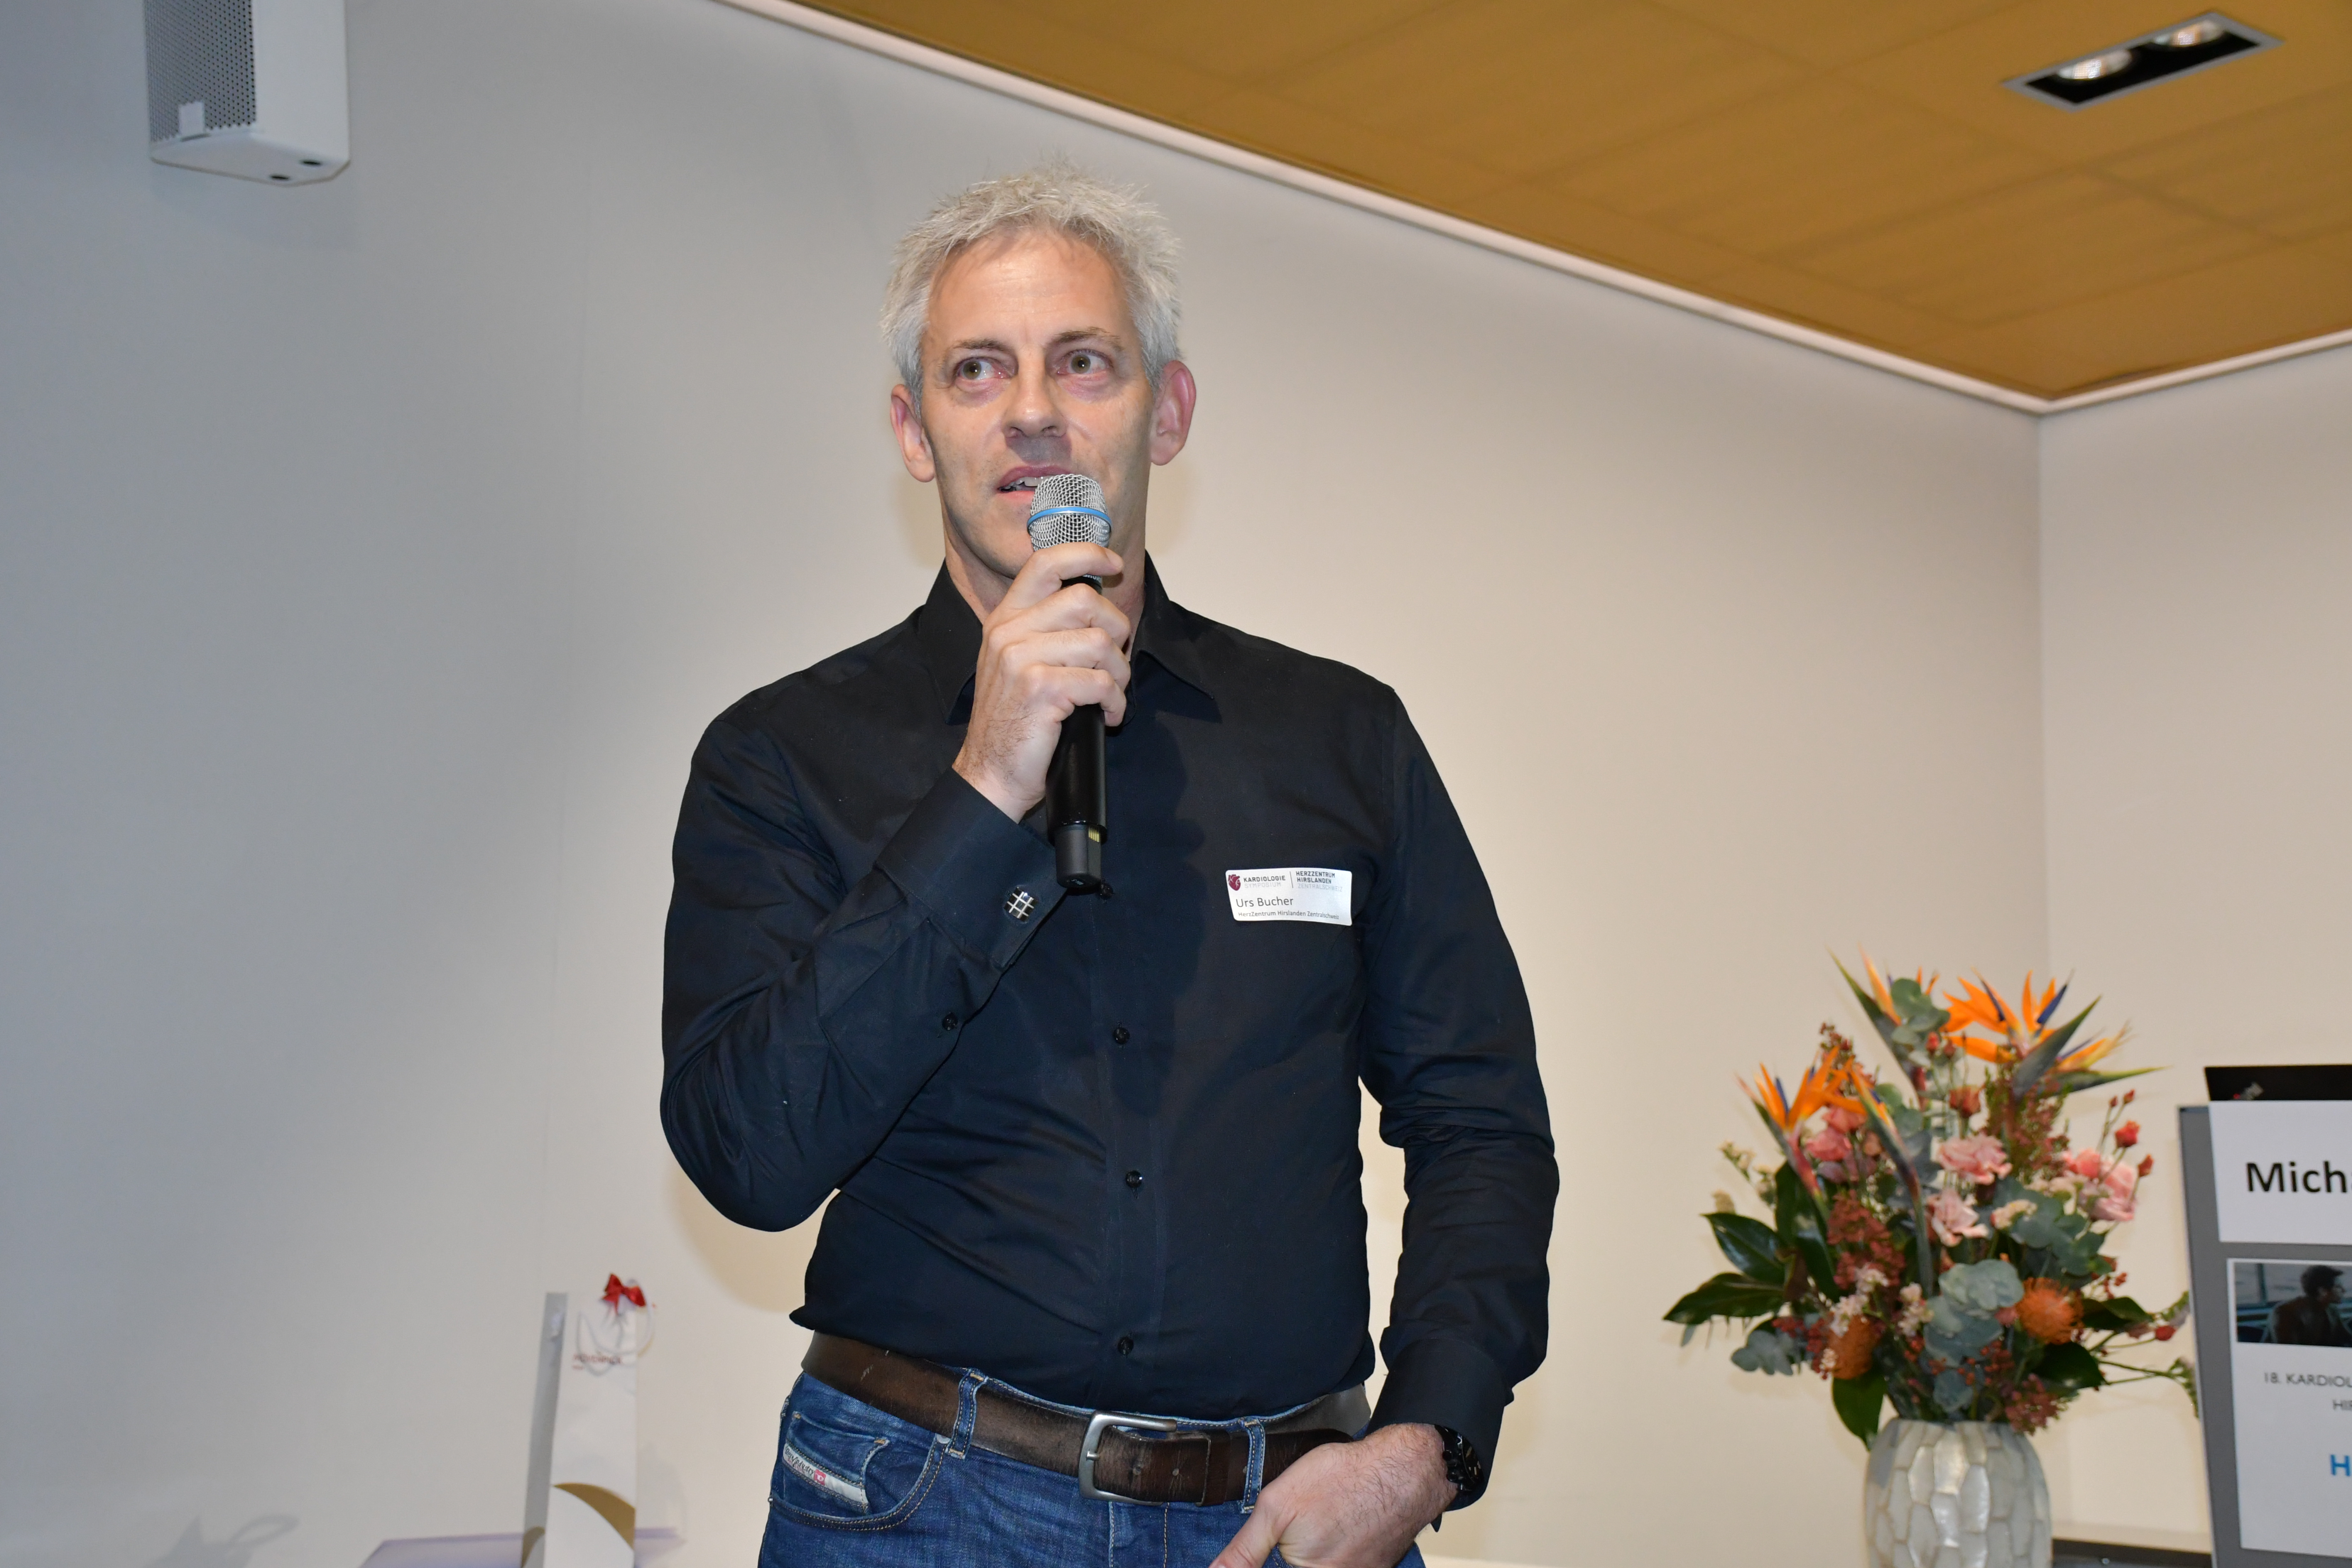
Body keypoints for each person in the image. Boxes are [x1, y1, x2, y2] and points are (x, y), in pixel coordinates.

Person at [661, 163, 1555, 1568]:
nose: (1031, 410)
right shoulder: (781, 756)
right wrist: (984, 786)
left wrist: (1426, 1442)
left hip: (1286, 1518)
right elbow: (748, 1156)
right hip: (916, 1505)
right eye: (976, 370)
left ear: (1168, 411)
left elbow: (1480, 1121)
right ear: (913, 429)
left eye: (1082, 361)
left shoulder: (1339, 738)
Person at [2265, 1265, 2352, 1347]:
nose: (2344, 1291)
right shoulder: (2285, 1312)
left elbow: (2347, 1338)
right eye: (2338, 1287)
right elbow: (2288, 1351)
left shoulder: (2332, 1310)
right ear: (2323, 1291)